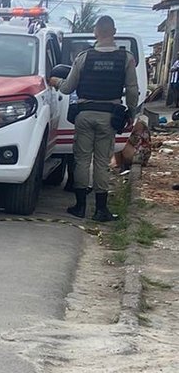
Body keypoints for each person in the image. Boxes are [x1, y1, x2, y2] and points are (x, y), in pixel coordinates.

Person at [49, 15, 139, 222]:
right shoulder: (126, 58)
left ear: (95, 33)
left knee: (81, 160)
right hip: (109, 116)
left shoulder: (83, 57)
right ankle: (100, 210)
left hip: (84, 114)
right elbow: (132, 90)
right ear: (114, 32)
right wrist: (131, 113)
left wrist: (56, 82)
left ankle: (79, 207)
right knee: (101, 162)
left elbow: (68, 87)